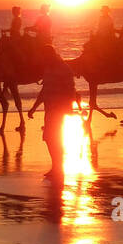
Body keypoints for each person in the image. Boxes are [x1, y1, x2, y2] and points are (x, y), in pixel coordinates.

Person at [28, 47, 79, 182]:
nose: (42, 59)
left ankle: (58, 168)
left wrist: (69, 107)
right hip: (49, 108)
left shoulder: (64, 69)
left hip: (59, 108)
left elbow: (71, 90)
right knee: (49, 138)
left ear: (50, 56)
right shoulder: (48, 68)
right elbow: (44, 91)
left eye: (44, 56)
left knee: (54, 137)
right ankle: (56, 166)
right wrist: (34, 108)